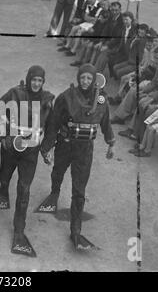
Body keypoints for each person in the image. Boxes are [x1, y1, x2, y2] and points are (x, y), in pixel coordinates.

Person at [37, 64, 115, 250]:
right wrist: (46, 147)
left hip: (84, 149)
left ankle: (76, 231)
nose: (85, 81)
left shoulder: (102, 100)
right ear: (78, 78)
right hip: (64, 144)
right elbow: (54, 122)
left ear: (94, 79)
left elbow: (105, 122)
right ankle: (54, 193)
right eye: (83, 78)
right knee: (57, 172)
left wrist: (111, 142)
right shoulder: (66, 97)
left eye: (89, 78)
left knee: (79, 191)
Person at [0, 65, 54, 257]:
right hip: (10, 147)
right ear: (28, 79)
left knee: (24, 190)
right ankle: (2, 191)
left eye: (39, 81)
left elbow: (52, 127)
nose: (36, 83)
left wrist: (45, 149)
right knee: (5, 176)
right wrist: (2, 136)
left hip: (30, 152)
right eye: (33, 79)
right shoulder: (14, 93)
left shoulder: (48, 100)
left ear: (43, 82)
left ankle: (19, 231)